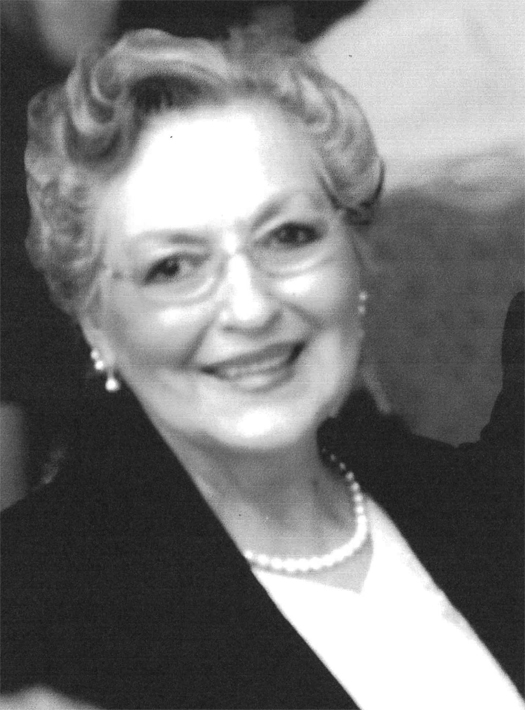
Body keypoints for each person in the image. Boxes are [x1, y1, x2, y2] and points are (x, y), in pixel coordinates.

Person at [1, 26, 523, 710]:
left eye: (289, 236)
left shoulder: (474, 511)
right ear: (97, 322)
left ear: (354, 256)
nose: (249, 308)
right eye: (173, 267)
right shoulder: (33, 604)